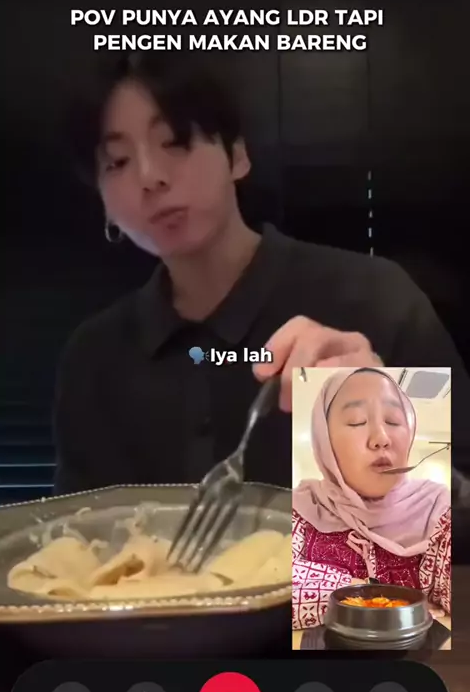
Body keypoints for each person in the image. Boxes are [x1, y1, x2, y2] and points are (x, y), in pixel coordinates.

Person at [54, 50, 470, 516]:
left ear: (237, 155)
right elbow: (80, 537)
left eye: (176, 142)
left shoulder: (375, 301)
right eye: (117, 162)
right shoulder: (93, 360)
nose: (150, 177)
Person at [292, 368, 451, 630]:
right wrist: (366, 593)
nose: (381, 439)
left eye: (394, 421)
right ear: (325, 439)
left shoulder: (439, 509)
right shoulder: (301, 508)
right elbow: (262, 587)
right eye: (356, 421)